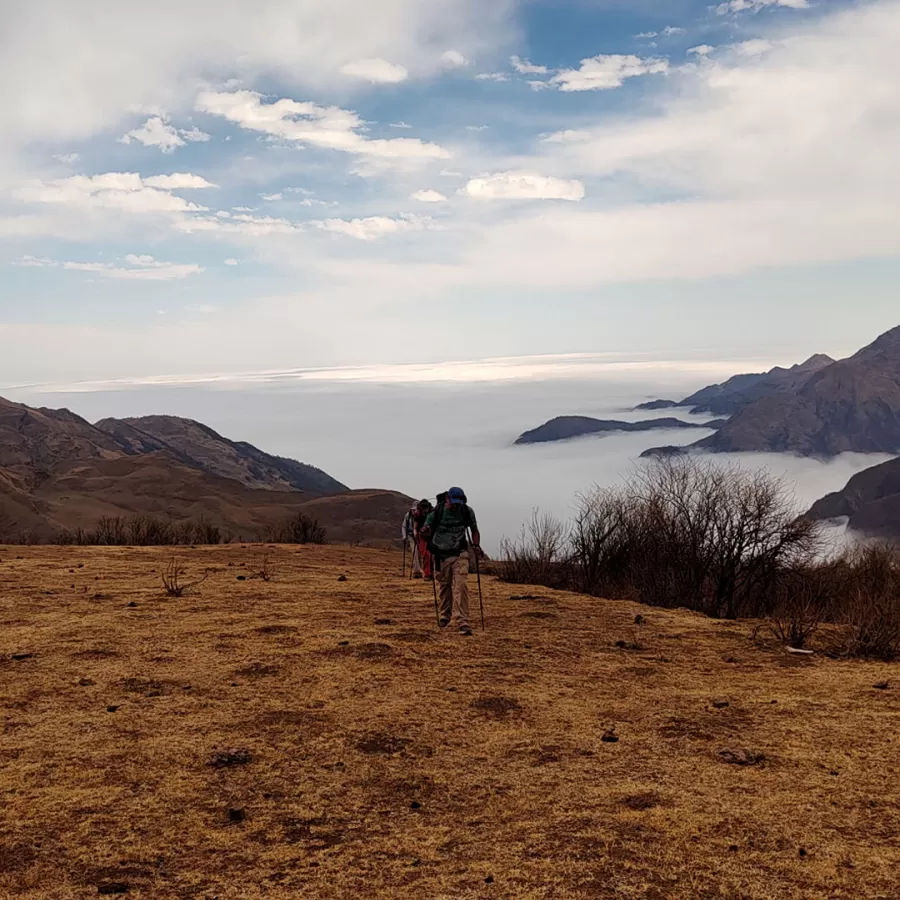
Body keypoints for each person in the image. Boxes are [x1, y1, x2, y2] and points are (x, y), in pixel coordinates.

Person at [421, 486, 482, 636]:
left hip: (460, 553)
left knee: (461, 585)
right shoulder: (436, 513)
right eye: (453, 503)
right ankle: (445, 614)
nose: (455, 506)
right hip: (440, 555)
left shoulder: (466, 511)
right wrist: (425, 532)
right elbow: (426, 531)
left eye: (458, 503)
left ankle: (463, 621)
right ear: (447, 499)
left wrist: (476, 546)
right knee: (444, 585)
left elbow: (474, 530)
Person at [412, 499, 434, 579]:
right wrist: (415, 532)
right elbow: (415, 524)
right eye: (423, 508)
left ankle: (432, 572)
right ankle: (427, 574)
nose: (425, 510)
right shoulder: (418, 514)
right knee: (426, 554)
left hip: (431, 535)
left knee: (432, 554)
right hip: (421, 535)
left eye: (426, 508)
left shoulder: (433, 512)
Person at [400, 504, 420, 577]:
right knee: (415, 552)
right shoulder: (408, 516)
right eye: (412, 510)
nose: (414, 512)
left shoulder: (421, 516)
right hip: (411, 536)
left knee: (420, 553)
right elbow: (404, 526)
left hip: (420, 536)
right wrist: (404, 536)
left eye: (415, 510)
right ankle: (417, 571)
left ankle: (422, 570)